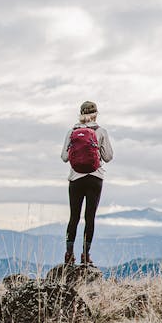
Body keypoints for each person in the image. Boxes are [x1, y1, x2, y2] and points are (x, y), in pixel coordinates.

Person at [61, 101, 114, 265]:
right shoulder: (101, 131)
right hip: (95, 178)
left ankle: (69, 255)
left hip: (76, 178)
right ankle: (86, 255)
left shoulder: (72, 132)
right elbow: (108, 157)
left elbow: (64, 157)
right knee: (89, 217)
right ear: (96, 114)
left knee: (74, 217)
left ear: (80, 114)